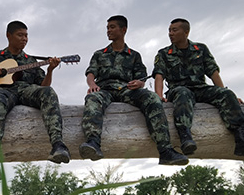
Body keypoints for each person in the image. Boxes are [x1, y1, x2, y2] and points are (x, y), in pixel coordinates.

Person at [0, 20, 70, 182]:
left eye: (26, 36)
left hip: (26, 90)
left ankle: (58, 145)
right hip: (4, 92)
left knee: (49, 92)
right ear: (8, 35)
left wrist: (50, 70)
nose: (24, 39)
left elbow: (43, 86)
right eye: (20, 35)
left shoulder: (31, 61)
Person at [80, 15, 188, 165]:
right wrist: (91, 84)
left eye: (112, 27)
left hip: (127, 89)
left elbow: (142, 78)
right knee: (92, 98)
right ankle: (93, 143)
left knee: (152, 98)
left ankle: (166, 151)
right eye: (107, 28)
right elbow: (91, 73)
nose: (108, 30)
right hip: (105, 89)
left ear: (123, 30)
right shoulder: (99, 54)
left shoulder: (134, 55)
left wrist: (139, 83)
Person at [153, 18, 244, 157]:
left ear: (186, 32)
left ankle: (242, 139)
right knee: (183, 93)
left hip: (200, 88)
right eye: (169, 30)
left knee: (227, 94)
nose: (170, 33)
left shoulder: (200, 49)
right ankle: (185, 137)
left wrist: (224, 91)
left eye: (174, 30)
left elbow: (213, 72)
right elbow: (159, 75)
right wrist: (158, 96)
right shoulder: (164, 53)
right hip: (178, 90)